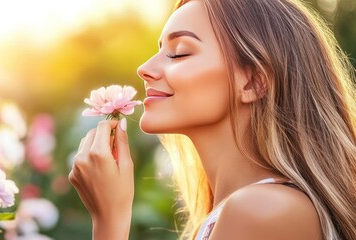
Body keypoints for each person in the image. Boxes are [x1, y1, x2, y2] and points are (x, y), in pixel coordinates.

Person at [68, 0, 356, 239]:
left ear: (253, 82)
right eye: (159, 51)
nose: (145, 68)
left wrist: (111, 220)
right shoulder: (239, 211)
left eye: (178, 53)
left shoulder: (263, 211)